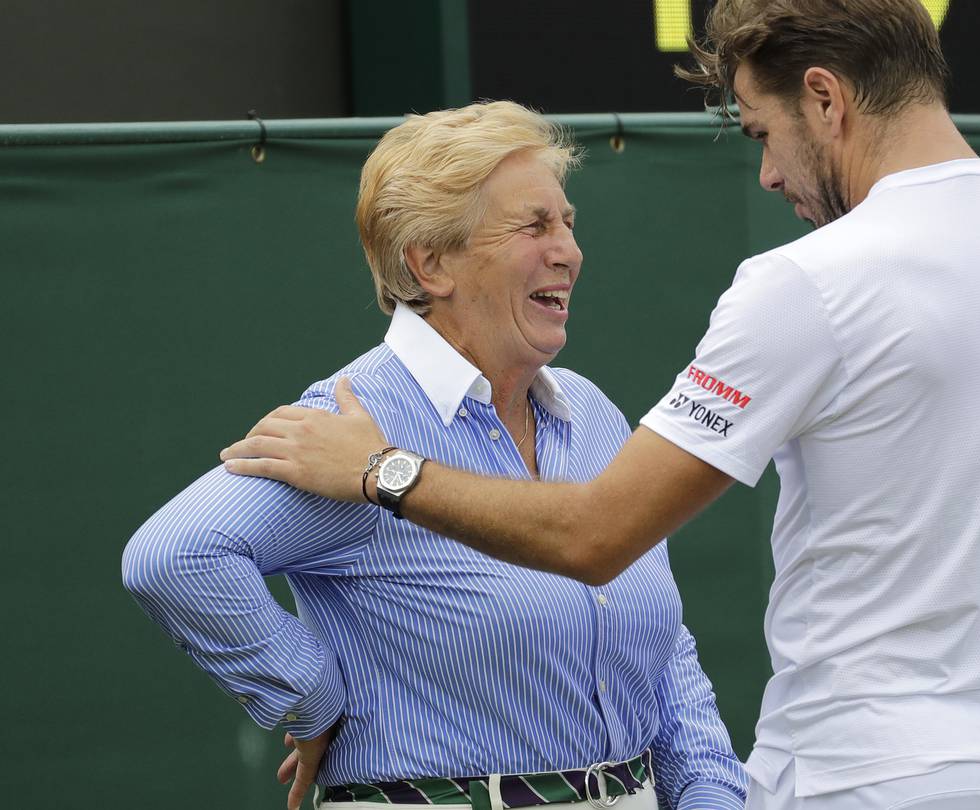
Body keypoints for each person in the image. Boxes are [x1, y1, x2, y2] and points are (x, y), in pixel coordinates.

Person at [219, 2, 980, 808]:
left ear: (827, 99)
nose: (767, 173)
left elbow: (596, 534)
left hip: (865, 783)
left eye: (763, 129)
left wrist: (380, 470)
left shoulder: (806, 284)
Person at [124, 101, 748, 810]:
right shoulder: (348, 424)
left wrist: (710, 792)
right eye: (534, 226)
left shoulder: (592, 412)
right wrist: (315, 701)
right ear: (430, 264)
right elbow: (174, 556)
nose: (569, 251)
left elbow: (666, 648)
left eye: (568, 222)